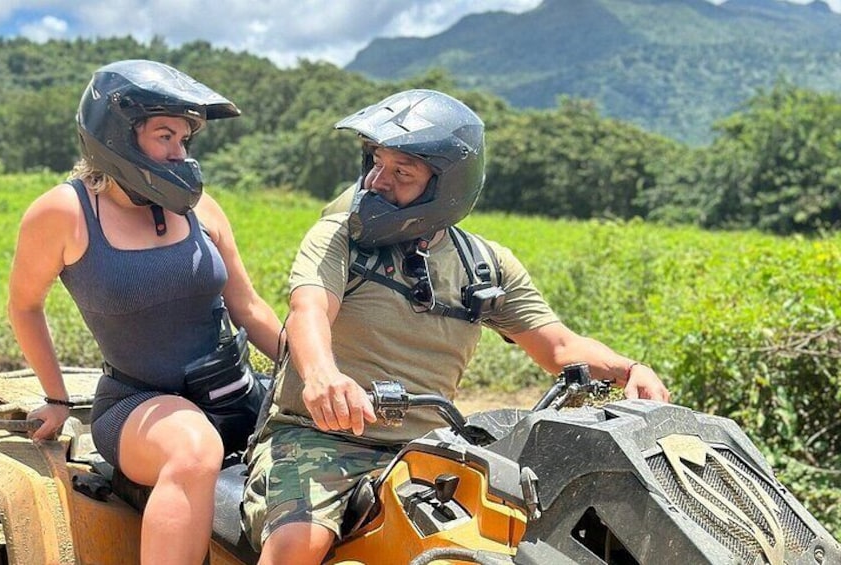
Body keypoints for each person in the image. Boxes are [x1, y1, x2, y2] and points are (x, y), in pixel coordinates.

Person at [242, 89, 670, 564]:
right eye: (376, 163)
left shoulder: (484, 266)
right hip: (317, 440)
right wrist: (323, 376)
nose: (378, 182)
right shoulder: (340, 235)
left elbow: (559, 345)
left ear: (446, 185)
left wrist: (629, 369)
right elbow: (310, 311)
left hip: (427, 452)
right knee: (301, 543)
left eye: (402, 172)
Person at [7, 59, 283, 565]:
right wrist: (55, 397)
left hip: (232, 393)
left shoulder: (203, 208)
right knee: (194, 448)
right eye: (164, 137)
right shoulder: (64, 212)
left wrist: (321, 369)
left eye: (184, 141)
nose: (179, 154)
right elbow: (24, 305)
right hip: (139, 405)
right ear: (116, 135)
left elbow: (248, 306)